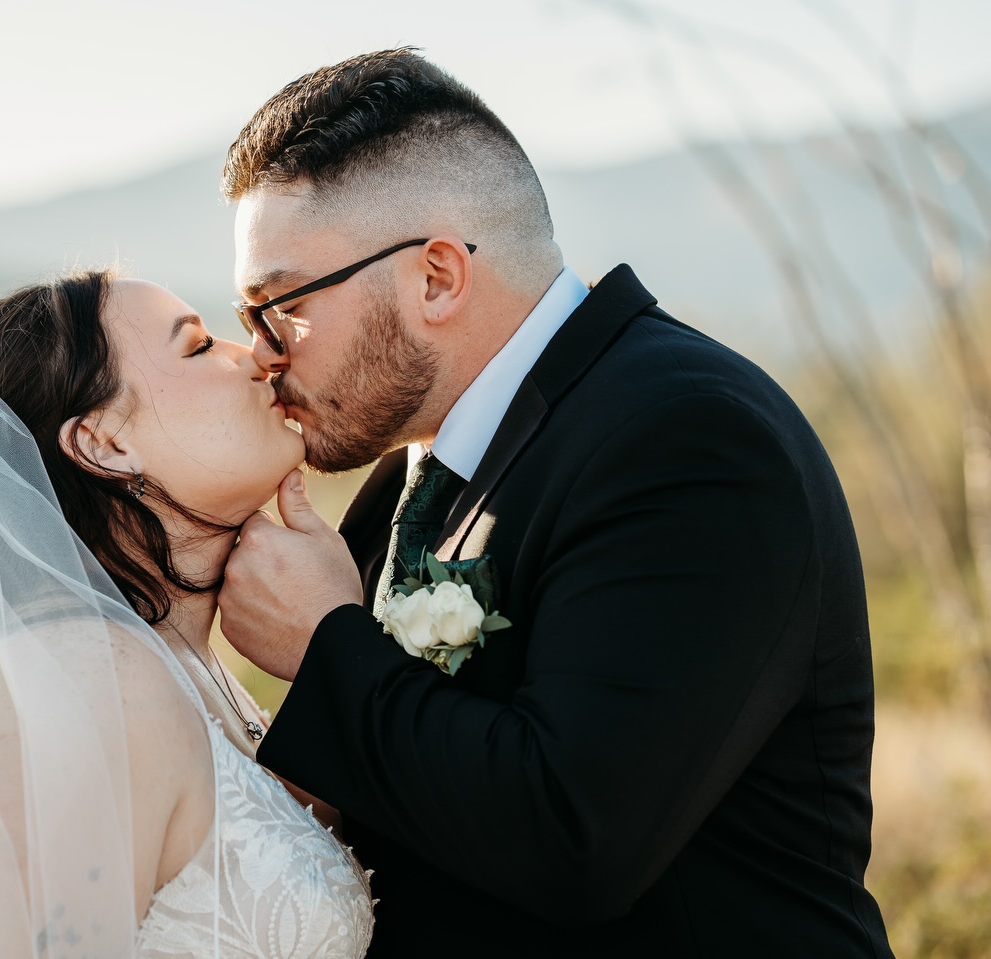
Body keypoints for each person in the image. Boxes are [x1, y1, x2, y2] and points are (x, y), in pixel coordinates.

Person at [217, 49, 895, 957]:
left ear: (436, 277)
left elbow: (576, 836)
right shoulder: (399, 486)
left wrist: (326, 647)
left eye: (280, 304)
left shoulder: (689, 439)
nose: (260, 349)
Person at [0, 272, 373, 957]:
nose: (258, 354)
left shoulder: (183, 671)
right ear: (103, 444)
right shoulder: (84, 681)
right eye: (198, 346)